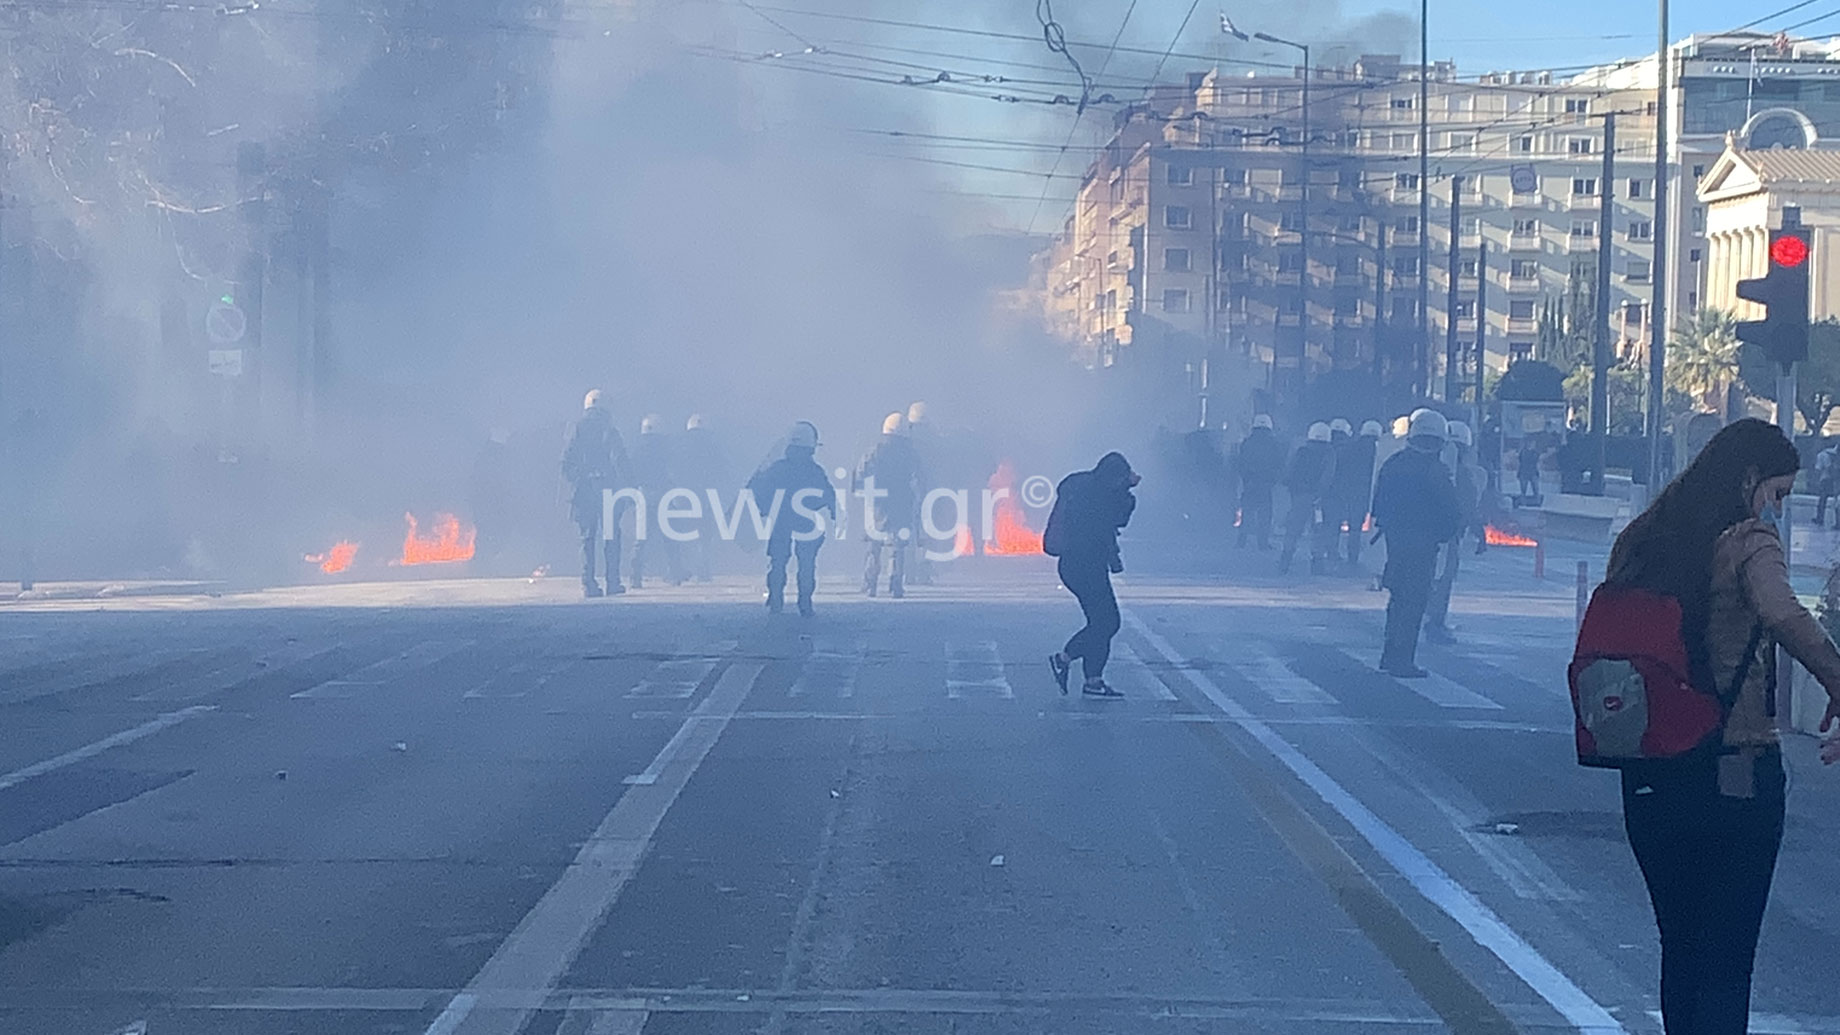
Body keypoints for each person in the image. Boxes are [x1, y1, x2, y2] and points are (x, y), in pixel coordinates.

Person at [1602, 417, 1840, 1034]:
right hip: (1734, 767)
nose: (1779, 509)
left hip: (1649, 769)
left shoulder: (1642, 536)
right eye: (1778, 493)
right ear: (1750, 478)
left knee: (1680, 948)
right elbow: (1783, 613)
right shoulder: (1748, 541)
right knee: (1728, 956)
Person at [1371, 409, 1459, 677]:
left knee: (1397, 598)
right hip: (1423, 545)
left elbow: (1378, 505)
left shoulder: (1394, 463)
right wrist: (1445, 534)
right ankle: (1402, 660)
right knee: (1414, 602)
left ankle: (1390, 654)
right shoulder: (1436, 470)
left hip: (1395, 541)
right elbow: (1450, 511)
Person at [1044, 452, 1139, 698]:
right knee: (1108, 622)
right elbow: (1120, 518)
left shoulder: (1082, 488)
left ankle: (1093, 681)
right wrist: (1126, 491)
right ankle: (1065, 658)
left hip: (1075, 565)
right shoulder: (1101, 497)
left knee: (1100, 622)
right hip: (1086, 565)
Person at [746, 421, 836, 616]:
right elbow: (828, 496)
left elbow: (759, 492)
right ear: (811, 446)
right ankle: (805, 603)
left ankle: (775, 599)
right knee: (807, 563)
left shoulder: (776, 469)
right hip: (807, 523)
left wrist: (765, 510)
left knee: (778, 560)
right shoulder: (815, 471)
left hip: (780, 521)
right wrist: (833, 514)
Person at [561, 389, 630, 598]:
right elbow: (620, 460)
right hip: (608, 491)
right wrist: (628, 487)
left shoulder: (576, 428)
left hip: (583, 492)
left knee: (587, 538)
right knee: (611, 537)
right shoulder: (609, 429)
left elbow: (566, 462)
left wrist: (579, 479)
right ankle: (613, 582)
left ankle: (588, 584)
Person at [856, 412, 926, 598]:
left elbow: (861, 473)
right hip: (902, 501)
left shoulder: (875, 450)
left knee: (874, 544)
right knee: (898, 546)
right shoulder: (910, 452)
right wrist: (920, 497)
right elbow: (919, 476)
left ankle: (870, 584)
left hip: (878, 502)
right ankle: (896, 585)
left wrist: (862, 491)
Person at [1425, 420, 1483, 644]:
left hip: (1425, 533)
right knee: (1444, 579)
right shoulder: (1463, 474)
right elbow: (1468, 507)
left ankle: (1425, 617)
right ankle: (1435, 623)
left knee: (1428, 577)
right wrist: (1479, 532)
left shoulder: (1432, 467)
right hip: (1449, 535)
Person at [629, 414, 686, 588]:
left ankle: (635, 577)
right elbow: (673, 471)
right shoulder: (666, 448)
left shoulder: (636, 449)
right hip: (663, 495)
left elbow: (630, 473)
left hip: (643, 494)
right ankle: (675, 574)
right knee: (670, 537)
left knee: (641, 539)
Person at [677, 413, 732, 582]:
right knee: (705, 535)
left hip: (685, 494)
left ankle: (682, 569)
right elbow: (722, 468)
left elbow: (674, 467)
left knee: (683, 533)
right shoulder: (713, 444)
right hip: (708, 494)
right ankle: (704, 570)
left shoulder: (681, 444)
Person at [1279, 422, 1337, 575]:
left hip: (1299, 497)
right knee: (1318, 531)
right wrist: (1320, 495)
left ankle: (1284, 561)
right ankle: (1317, 565)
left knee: (1293, 530)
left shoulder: (1301, 451)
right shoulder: (1329, 453)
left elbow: (1288, 473)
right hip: (1317, 500)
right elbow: (1327, 477)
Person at [1327, 418, 1379, 569]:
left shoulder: (1350, 448)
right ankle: (1353, 558)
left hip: (1346, 492)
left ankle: (1333, 553)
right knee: (1356, 527)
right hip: (1364, 492)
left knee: (1336, 523)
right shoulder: (1379, 449)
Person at [1235, 415, 1283, 550]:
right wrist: (1273, 480)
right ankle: (1262, 543)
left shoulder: (1247, 442)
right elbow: (1278, 464)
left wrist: (1246, 479)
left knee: (1247, 513)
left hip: (1250, 483)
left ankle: (1241, 542)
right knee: (1264, 516)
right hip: (1265, 484)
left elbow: (1241, 463)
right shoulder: (1274, 444)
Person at [1814, 441, 1838, 528]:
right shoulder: (1835, 454)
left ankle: (1820, 518)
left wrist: (1816, 481)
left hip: (1825, 480)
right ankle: (1838, 522)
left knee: (1822, 500)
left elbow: (1818, 469)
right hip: (1836, 480)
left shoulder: (1822, 454)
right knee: (1837, 500)